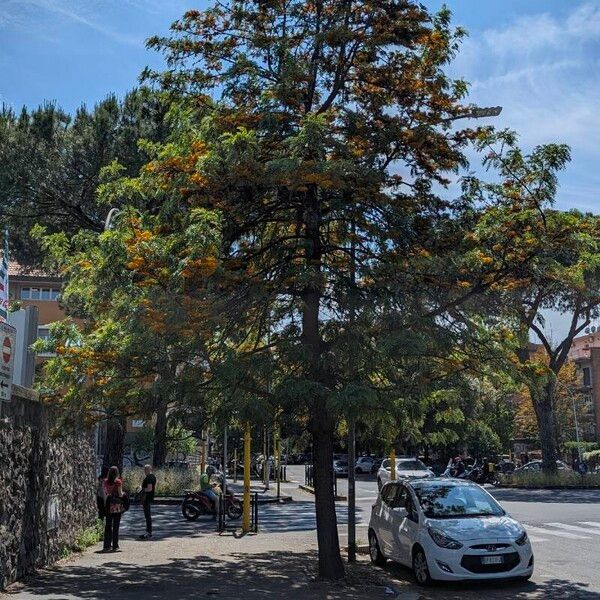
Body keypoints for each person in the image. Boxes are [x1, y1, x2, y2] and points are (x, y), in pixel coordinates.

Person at [103, 466, 124, 552]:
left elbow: (105, 493)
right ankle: (115, 546)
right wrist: (124, 494)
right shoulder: (118, 482)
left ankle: (107, 546)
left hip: (108, 503)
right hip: (116, 504)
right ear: (117, 473)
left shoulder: (105, 481)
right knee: (116, 525)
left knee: (108, 525)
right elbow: (120, 494)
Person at [139, 465, 157, 539]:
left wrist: (141, 489)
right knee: (147, 516)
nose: (145, 471)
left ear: (150, 469)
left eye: (146, 469)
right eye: (144, 469)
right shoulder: (152, 477)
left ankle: (149, 532)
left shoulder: (149, 477)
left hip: (147, 498)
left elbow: (149, 489)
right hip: (148, 498)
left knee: (147, 516)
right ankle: (148, 531)